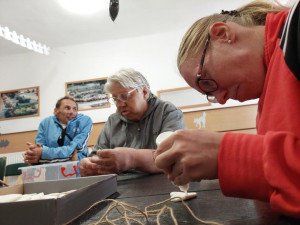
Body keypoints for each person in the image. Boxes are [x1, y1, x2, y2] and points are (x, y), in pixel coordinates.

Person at [155, 0, 300, 218]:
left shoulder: (296, 28)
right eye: (209, 94)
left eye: (205, 82)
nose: (221, 99)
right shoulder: (268, 91)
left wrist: (230, 155)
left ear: (222, 34)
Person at [79, 68, 187, 176]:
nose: (120, 104)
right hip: (123, 187)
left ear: (144, 92)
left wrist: (132, 158)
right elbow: (96, 155)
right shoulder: (113, 121)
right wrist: (89, 164)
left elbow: (174, 156)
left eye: (125, 96)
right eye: (115, 99)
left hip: (162, 183)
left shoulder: (167, 112)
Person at [23, 96, 93, 164]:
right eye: (67, 108)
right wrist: (32, 153)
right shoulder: (45, 123)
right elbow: (39, 149)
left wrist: (44, 153)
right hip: (51, 170)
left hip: (77, 169)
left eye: (74, 109)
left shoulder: (85, 121)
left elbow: (76, 148)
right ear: (56, 111)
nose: (71, 112)